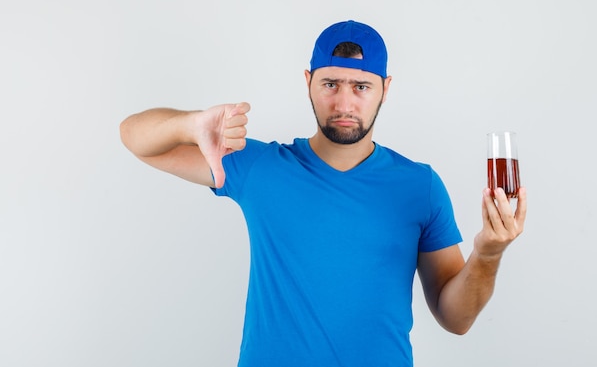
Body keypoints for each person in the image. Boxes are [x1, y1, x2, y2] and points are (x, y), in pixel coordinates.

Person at [119, 20, 527, 367]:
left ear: (385, 88)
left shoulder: (420, 186)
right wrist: (190, 125)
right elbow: (134, 136)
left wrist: (488, 254)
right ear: (308, 82)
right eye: (330, 83)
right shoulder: (261, 167)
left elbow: (456, 318)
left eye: (361, 87)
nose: (344, 102)